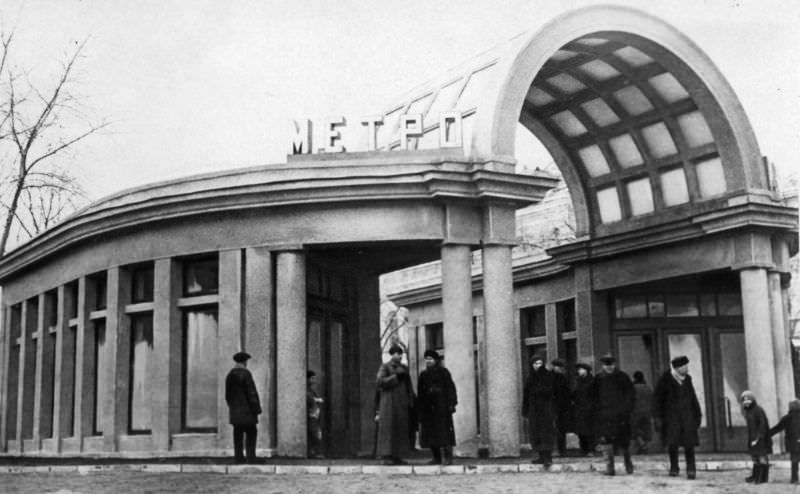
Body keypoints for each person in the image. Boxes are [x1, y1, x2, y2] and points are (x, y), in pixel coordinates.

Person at [652, 356, 701, 479]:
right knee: (672, 444)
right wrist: (658, 417)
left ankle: (691, 470)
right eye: (684, 366)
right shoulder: (665, 380)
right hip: (671, 418)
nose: (686, 368)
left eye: (686, 366)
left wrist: (697, 414)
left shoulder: (687, 379)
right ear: (677, 368)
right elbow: (657, 400)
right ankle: (674, 468)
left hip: (687, 417)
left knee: (689, 444)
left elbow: (693, 398)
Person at [589, 353, 634, 476]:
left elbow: (630, 395)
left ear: (615, 365)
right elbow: (592, 397)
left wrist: (626, 409)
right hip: (605, 416)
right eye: (606, 365)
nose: (609, 367)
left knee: (624, 441)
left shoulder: (623, 377)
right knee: (606, 440)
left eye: (611, 365)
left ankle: (628, 464)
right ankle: (610, 468)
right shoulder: (598, 379)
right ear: (603, 366)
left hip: (621, 416)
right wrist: (598, 410)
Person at [375, 344, 416, 465]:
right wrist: (395, 377)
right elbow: (379, 382)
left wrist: (411, 399)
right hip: (389, 403)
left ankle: (398, 455)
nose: (399, 356)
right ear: (391, 354)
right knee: (389, 429)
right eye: (397, 353)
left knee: (400, 429)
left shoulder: (404, 368)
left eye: (400, 353)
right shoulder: (385, 367)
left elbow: (409, 385)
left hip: (401, 402)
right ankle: (386, 455)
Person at [417, 349, 457, 465]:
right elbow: (421, 393)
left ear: (436, 360)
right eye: (427, 359)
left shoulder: (444, 373)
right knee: (431, 434)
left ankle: (448, 457)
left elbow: (450, 388)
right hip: (428, 409)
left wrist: (451, 403)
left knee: (445, 433)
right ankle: (436, 457)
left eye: (430, 359)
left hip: (442, 407)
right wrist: (421, 409)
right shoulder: (423, 375)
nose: (428, 361)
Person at [224, 351, 262, 464]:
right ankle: (251, 457)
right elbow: (251, 393)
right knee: (251, 433)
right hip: (248, 412)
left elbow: (227, 396)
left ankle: (239, 458)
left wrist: (233, 408)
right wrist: (256, 408)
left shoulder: (230, 375)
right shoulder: (246, 374)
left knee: (237, 435)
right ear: (245, 362)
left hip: (235, 412)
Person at [522, 354, 556, 467]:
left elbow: (552, 393)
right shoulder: (530, 378)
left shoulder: (548, 376)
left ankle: (548, 457)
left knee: (546, 433)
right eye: (535, 363)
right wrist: (525, 410)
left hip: (546, 410)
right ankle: (541, 456)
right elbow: (526, 395)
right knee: (536, 433)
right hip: (534, 411)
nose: (538, 366)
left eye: (540, 363)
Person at [741, 390, 772, 484]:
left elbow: (762, 425)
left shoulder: (758, 410)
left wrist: (758, 438)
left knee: (762, 457)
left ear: (752, 400)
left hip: (760, 439)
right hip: (753, 438)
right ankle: (755, 476)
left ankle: (762, 478)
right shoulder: (748, 411)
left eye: (748, 399)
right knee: (755, 457)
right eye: (744, 400)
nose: (746, 401)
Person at [769, 399, 800, 484]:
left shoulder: (787, 418)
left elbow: (777, 428)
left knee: (794, 461)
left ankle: (794, 479)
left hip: (793, 443)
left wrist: (767, 435)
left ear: (790, 408)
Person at [572, 362, 596, 456]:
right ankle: (583, 449)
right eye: (579, 370)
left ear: (586, 370)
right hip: (580, 409)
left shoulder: (592, 381)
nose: (579, 371)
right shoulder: (578, 381)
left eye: (581, 369)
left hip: (590, 409)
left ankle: (591, 449)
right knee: (581, 432)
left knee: (590, 431)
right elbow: (575, 394)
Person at [551, 358, 571, 457]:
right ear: (555, 367)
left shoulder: (563, 378)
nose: (561, 369)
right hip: (552, 407)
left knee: (562, 429)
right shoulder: (549, 377)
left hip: (562, 408)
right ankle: (555, 449)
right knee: (554, 428)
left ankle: (562, 449)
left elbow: (566, 392)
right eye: (560, 367)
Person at [630, 371, 654, 455]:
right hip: (647, 412)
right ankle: (644, 447)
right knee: (646, 429)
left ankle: (642, 444)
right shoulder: (648, 388)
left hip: (635, 412)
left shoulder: (632, 388)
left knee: (635, 430)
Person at [306, 370, 324, 458]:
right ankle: (314, 453)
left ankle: (314, 452)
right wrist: (316, 400)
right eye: (312, 378)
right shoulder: (307, 390)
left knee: (316, 433)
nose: (314, 380)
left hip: (314, 415)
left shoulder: (310, 390)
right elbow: (308, 398)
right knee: (315, 434)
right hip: (311, 415)